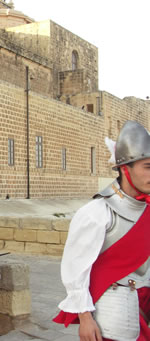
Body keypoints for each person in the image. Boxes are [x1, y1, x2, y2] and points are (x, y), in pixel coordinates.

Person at [54, 120, 150, 341]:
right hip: (112, 312)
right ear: (125, 169)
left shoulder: (147, 207)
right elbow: (75, 269)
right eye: (148, 167)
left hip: (143, 307)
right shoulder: (96, 213)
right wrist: (85, 318)